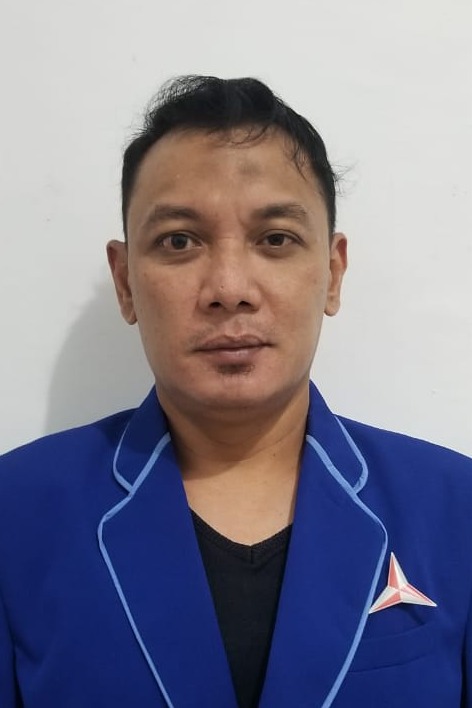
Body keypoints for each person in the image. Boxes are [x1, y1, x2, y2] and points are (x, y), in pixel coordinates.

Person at [0, 75, 471, 708]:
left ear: (332, 274)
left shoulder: (454, 510)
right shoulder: (16, 512)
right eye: (179, 241)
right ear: (126, 281)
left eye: (275, 239)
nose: (229, 288)